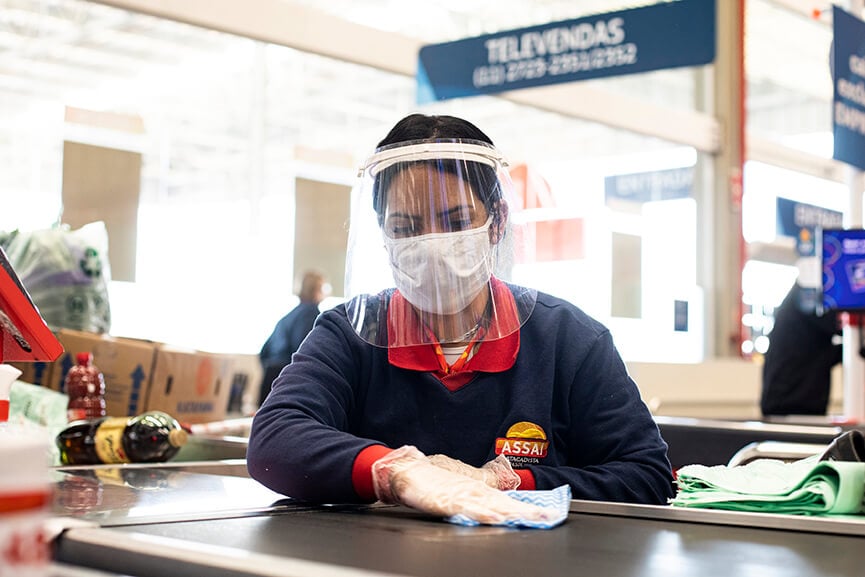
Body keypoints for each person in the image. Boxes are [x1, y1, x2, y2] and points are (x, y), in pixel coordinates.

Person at [247, 114, 675, 524]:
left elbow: (646, 473)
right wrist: (394, 473)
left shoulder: (570, 340)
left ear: (497, 222)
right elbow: (275, 439)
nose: (431, 241)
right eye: (405, 225)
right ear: (382, 234)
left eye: (455, 220)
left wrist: (506, 483)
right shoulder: (351, 334)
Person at [761, 281, 842, 416]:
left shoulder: (810, 290)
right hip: (789, 404)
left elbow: (820, 352)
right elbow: (840, 324)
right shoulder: (807, 290)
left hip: (798, 400)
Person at [258, 270, 328, 406]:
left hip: (270, 378)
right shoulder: (312, 315)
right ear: (317, 290)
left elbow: (264, 352)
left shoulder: (287, 317)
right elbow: (307, 353)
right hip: (287, 381)